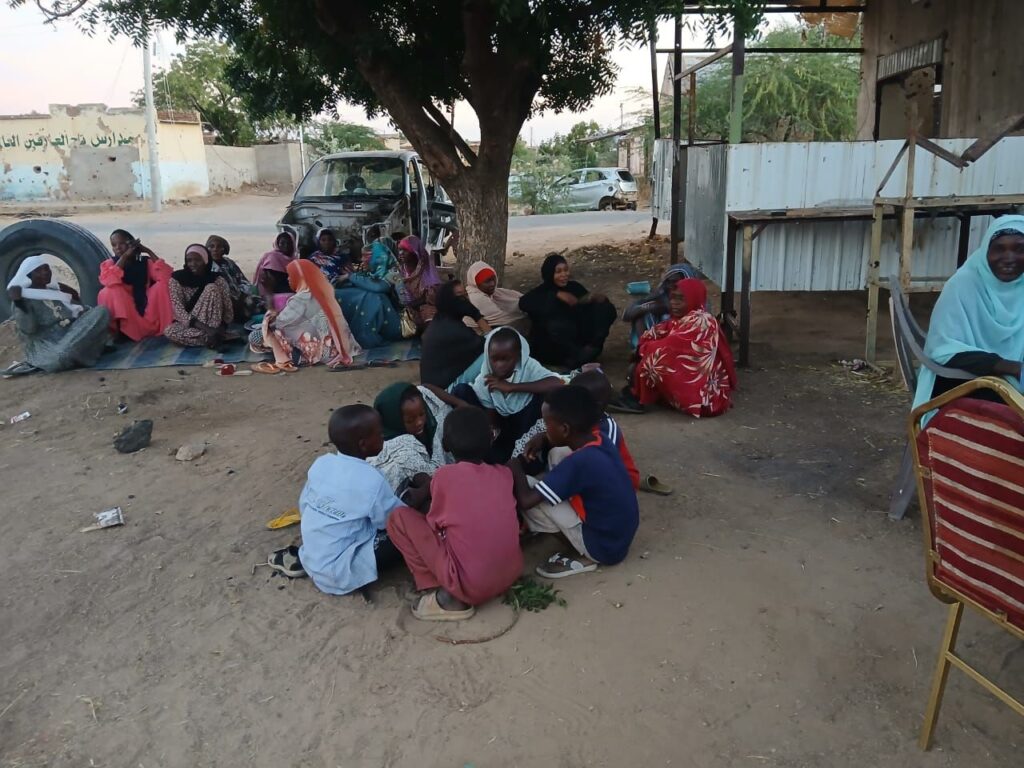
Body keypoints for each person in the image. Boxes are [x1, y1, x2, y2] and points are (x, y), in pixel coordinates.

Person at [387, 407, 524, 621]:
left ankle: (443, 593)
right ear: (491, 438)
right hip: (511, 573)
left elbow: (435, 525)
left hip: (472, 587)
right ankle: (456, 583)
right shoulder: (504, 474)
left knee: (398, 518)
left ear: (445, 444)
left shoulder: (444, 476)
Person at [267, 405, 405, 595]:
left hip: (313, 558)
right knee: (407, 532)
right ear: (363, 444)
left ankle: (302, 560)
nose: (383, 436)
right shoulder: (372, 480)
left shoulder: (322, 464)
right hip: (341, 572)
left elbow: (304, 506)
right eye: (379, 433)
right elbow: (393, 520)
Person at [508, 386, 640, 579]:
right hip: (619, 536)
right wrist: (544, 438)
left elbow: (526, 500)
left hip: (603, 548)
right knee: (558, 453)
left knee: (524, 486)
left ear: (565, 429)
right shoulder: (600, 439)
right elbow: (567, 453)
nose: (545, 428)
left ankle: (580, 553)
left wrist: (514, 466)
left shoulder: (579, 463)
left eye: (546, 424)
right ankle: (572, 522)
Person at [913, 215, 1024, 412]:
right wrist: (1013, 368)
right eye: (999, 249)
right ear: (985, 251)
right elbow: (943, 350)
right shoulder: (963, 284)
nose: (1009, 259)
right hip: (961, 381)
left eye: (1020, 249)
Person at [451, 327, 564, 462]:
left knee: (544, 394)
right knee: (461, 390)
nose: (499, 365)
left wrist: (512, 387)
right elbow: (491, 413)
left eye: (505, 359)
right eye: (494, 359)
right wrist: (491, 431)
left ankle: (523, 454)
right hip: (503, 427)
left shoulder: (528, 367)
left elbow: (557, 383)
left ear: (518, 356)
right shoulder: (486, 375)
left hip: (525, 421)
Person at [630, 277, 737, 418]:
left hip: (706, 398)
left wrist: (643, 350)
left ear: (694, 298)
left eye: (681, 299)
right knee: (643, 361)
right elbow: (651, 334)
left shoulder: (702, 321)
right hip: (698, 389)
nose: (674, 303)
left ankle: (637, 399)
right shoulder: (679, 320)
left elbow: (669, 348)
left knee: (650, 362)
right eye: (673, 298)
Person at [248, 259, 361, 373]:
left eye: (291, 275)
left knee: (259, 334)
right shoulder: (323, 292)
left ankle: (285, 360)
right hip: (337, 346)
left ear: (300, 277)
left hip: (320, 352)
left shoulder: (302, 298)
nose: (288, 279)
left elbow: (279, 322)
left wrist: (270, 311)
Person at [6, 255, 110, 372]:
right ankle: (88, 350)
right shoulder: (22, 299)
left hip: (70, 333)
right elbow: (29, 329)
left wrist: (79, 308)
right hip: (48, 345)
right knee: (61, 356)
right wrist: (19, 302)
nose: (45, 272)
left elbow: (75, 310)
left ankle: (84, 352)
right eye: (38, 270)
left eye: (47, 268)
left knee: (102, 311)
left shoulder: (53, 291)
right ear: (29, 276)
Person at [519, 253, 617, 368]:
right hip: (553, 350)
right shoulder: (541, 292)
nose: (564, 274)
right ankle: (576, 357)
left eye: (566, 270)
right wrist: (556, 295)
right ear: (549, 274)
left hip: (580, 343)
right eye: (558, 272)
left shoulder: (574, 287)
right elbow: (523, 303)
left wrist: (597, 299)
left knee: (605, 308)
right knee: (558, 325)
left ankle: (591, 349)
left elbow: (585, 304)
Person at [368, 381, 468, 489]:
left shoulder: (419, 401)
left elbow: (425, 388)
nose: (419, 422)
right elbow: (433, 480)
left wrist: (460, 403)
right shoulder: (401, 449)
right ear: (394, 420)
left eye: (422, 414)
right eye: (410, 421)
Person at [98, 229, 173, 342]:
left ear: (131, 244)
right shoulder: (110, 263)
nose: (118, 248)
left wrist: (147, 251)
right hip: (126, 311)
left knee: (162, 285)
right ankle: (119, 332)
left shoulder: (144, 262)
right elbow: (109, 280)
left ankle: (165, 327)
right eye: (114, 245)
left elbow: (167, 276)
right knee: (111, 290)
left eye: (122, 243)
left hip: (145, 309)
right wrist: (124, 257)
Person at [420, 280, 489, 390]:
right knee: (495, 352)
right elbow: (492, 342)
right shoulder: (452, 329)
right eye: (460, 296)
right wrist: (476, 315)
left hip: (438, 385)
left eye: (466, 294)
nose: (466, 300)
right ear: (448, 301)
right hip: (445, 391)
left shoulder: (441, 320)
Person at [334, 240, 403, 348]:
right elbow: (363, 282)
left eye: (365, 257)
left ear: (377, 258)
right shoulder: (374, 272)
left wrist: (350, 276)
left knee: (373, 297)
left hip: (399, 321)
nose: (362, 260)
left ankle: (365, 335)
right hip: (385, 318)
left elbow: (378, 287)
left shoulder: (393, 273)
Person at [163, 244, 235, 349]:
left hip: (213, 322)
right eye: (189, 260)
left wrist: (222, 326)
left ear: (205, 260)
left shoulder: (217, 279)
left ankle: (214, 336)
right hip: (193, 323)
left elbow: (228, 309)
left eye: (197, 260)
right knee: (169, 331)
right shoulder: (176, 279)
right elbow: (178, 310)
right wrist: (208, 330)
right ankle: (215, 337)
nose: (193, 264)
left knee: (211, 288)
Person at [622, 263, 702, 349]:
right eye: (668, 281)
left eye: (675, 281)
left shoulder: (700, 306)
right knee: (642, 314)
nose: (671, 285)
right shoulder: (664, 294)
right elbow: (627, 314)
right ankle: (643, 348)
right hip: (663, 342)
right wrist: (646, 308)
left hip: (687, 344)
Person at [465, 261, 530, 335]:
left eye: (493, 279)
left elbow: (522, 298)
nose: (492, 284)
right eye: (487, 281)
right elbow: (506, 320)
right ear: (476, 283)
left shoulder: (496, 293)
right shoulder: (476, 298)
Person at [207, 235, 259, 320]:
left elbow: (243, 280)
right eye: (211, 246)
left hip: (240, 296)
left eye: (219, 247)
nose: (215, 249)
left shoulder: (229, 263)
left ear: (224, 249)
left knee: (262, 305)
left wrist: (242, 294)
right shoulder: (207, 267)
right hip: (222, 302)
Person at [397, 234, 441, 330]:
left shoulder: (426, 270)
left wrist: (411, 305)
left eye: (405, 250)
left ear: (415, 251)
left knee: (430, 317)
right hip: (406, 309)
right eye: (399, 250)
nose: (401, 253)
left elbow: (431, 298)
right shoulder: (400, 271)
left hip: (425, 307)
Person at [253, 230, 297, 311]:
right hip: (272, 295)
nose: (286, 246)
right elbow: (269, 284)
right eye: (282, 243)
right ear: (277, 244)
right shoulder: (272, 257)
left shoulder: (294, 260)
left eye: (289, 243)